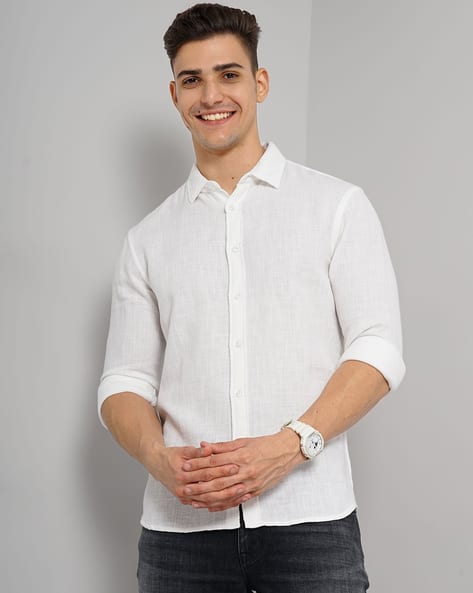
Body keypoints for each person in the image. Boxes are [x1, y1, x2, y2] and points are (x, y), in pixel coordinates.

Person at [97, 3, 406, 592]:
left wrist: (291, 445)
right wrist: (159, 460)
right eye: (192, 80)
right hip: (180, 533)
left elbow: (378, 347)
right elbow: (124, 381)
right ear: (175, 95)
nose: (211, 95)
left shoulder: (336, 207)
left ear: (259, 83)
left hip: (311, 520)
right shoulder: (147, 239)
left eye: (229, 74)